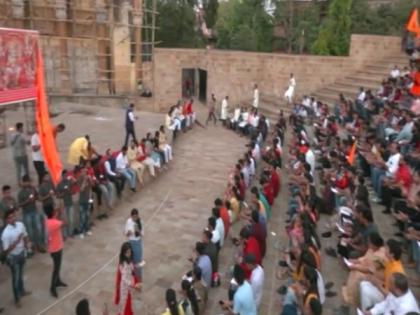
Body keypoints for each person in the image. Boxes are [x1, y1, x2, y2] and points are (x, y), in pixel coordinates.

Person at [1, 209, 31, 308]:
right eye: (10, 217)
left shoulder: (20, 225)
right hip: (13, 258)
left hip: (22, 253)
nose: (13, 218)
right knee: (15, 278)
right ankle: (17, 299)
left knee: (21, 274)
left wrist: (27, 244)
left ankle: (22, 291)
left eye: (13, 216)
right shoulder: (5, 234)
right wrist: (17, 241)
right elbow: (6, 251)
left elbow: (25, 235)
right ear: (6, 220)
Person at [44, 204, 67, 298]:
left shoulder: (47, 221)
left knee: (57, 266)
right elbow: (65, 222)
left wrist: (57, 210)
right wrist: (62, 212)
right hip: (56, 249)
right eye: (54, 210)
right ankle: (52, 287)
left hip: (53, 248)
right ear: (52, 212)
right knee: (56, 268)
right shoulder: (55, 223)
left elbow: (54, 217)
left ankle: (58, 281)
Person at [18, 175, 44, 253]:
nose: (30, 183)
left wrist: (38, 198)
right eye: (28, 181)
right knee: (30, 232)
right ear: (24, 182)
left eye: (30, 181)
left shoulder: (33, 189)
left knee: (38, 229)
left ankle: (40, 245)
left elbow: (37, 197)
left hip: (34, 211)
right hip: (27, 213)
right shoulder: (21, 193)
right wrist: (28, 201)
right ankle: (32, 248)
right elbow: (19, 205)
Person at [114, 242, 141, 315]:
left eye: (129, 252)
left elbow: (131, 269)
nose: (129, 254)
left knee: (127, 303)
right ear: (123, 253)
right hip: (125, 288)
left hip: (128, 287)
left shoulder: (128, 260)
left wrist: (136, 266)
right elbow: (124, 279)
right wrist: (133, 284)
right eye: (127, 252)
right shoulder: (123, 264)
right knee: (125, 304)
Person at [125, 208, 144, 278]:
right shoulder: (128, 221)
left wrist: (138, 231)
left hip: (137, 242)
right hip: (131, 242)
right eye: (133, 217)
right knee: (131, 259)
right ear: (131, 216)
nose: (135, 218)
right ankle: (133, 274)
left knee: (138, 260)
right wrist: (129, 233)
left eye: (136, 217)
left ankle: (139, 275)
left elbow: (142, 235)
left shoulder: (140, 221)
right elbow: (126, 234)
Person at [56, 170, 75, 238]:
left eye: (66, 175)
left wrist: (69, 191)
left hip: (70, 203)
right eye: (65, 175)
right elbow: (57, 195)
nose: (66, 177)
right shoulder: (59, 184)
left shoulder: (69, 182)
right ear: (62, 176)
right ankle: (64, 234)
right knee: (64, 220)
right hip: (63, 204)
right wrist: (63, 193)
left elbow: (73, 191)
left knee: (71, 219)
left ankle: (71, 232)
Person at [78, 167, 93, 239]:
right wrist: (84, 181)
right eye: (83, 172)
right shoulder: (79, 179)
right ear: (81, 172)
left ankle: (87, 229)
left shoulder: (88, 179)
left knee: (87, 215)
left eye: (86, 172)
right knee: (82, 217)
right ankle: (81, 231)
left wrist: (90, 180)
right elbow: (81, 189)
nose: (85, 173)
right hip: (82, 201)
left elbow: (92, 185)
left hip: (88, 200)